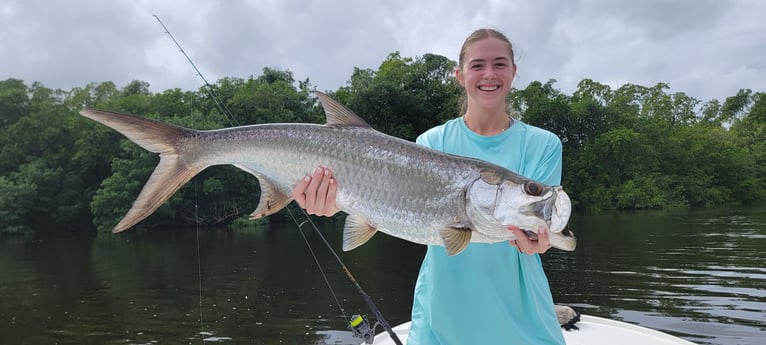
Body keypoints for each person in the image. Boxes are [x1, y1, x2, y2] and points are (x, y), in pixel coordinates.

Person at [292, 28, 565, 345]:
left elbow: (540, 227)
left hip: (523, 321)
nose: (489, 74)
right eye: (477, 65)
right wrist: (337, 201)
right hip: (441, 321)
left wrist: (542, 241)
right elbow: (385, 207)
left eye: (500, 64)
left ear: (514, 72)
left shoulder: (544, 145)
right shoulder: (431, 143)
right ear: (460, 75)